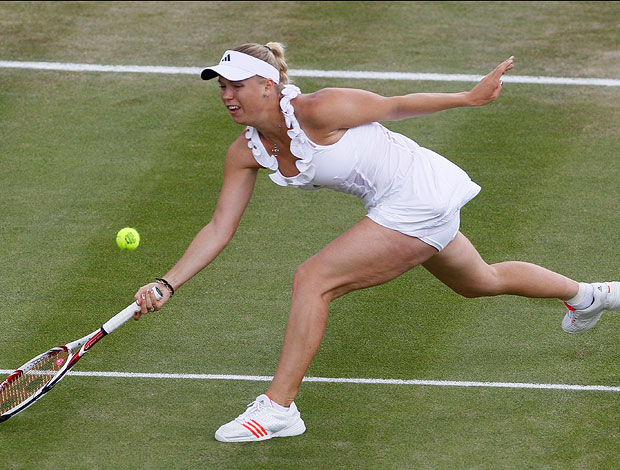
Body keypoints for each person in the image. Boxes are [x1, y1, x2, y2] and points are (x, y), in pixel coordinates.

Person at [133, 42, 620, 442]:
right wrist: (167, 283)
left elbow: (395, 106)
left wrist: (468, 98)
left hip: (418, 194)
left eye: (236, 84)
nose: (227, 95)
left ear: (267, 85)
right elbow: (220, 227)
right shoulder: (246, 151)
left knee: (313, 279)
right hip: (393, 203)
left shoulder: (320, 108)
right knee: (480, 281)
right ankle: (590, 296)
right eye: (222, 86)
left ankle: (279, 408)